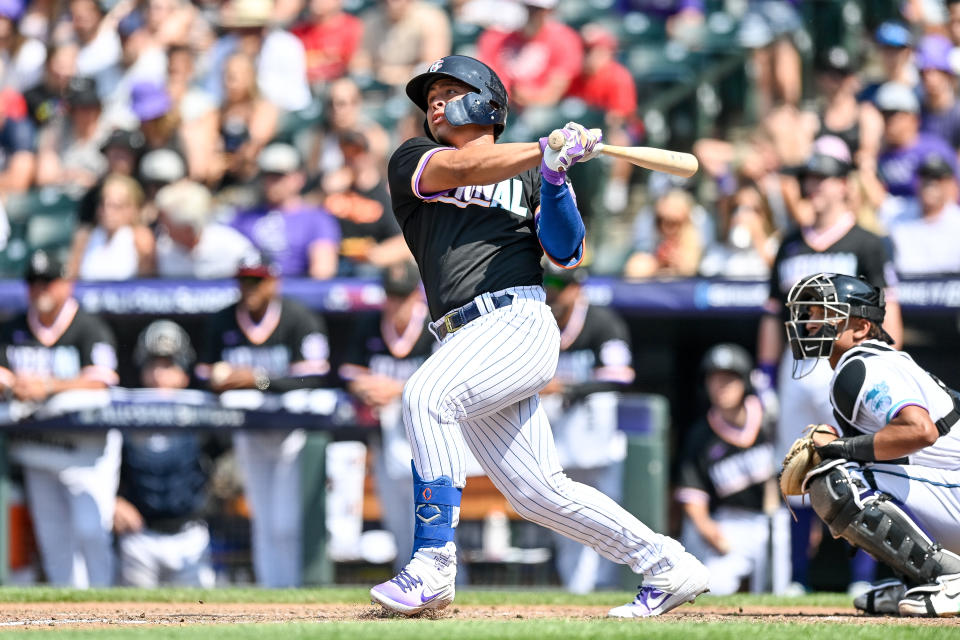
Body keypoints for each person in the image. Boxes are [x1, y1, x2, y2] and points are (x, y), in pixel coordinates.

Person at [368, 53, 708, 618]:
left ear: (488, 103)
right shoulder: (414, 158)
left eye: (449, 90)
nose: (434, 101)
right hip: (460, 337)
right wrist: (545, 149)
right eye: (430, 95)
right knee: (536, 492)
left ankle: (432, 564)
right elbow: (465, 172)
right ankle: (666, 563)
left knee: (426, 396)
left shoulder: (531, 170)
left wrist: (553, 177)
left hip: (516, 321)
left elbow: (567, 251)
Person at [756, 135, 902, 592]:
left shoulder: (868, 241)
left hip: (851, 367)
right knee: (796, 469)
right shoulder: (790, 245)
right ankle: (795, 577)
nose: (814, 187)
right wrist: (763, 376)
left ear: (845, 186)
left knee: (862, 470)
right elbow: (771, 314)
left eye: (823, 179)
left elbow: (888, 306)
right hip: (797, 367)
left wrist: (892, 362)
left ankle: (863, 577)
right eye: (809, 180)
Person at [784, 272, 960, 617]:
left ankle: (948, 578)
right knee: (848, 469)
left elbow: (919, 430)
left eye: (825, 313)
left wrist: (842, 450)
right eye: (812, 313)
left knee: (836, 479)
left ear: (862, 327)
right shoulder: (875, 360)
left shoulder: (862, 365)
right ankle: (919, 579)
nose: (812, 322)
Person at [196, 252, 330, 588]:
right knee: (263, 519)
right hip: (249, 431)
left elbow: (313, 377)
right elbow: (202, 374)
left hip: (290, 433)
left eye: (257, 280)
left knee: (286, 522)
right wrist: (224, 378)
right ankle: (272, 592)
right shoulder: (223, 320)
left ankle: (293, 591)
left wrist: (258, 379)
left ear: (274, 282)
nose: (250, 288)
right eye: (245, 280)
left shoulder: (299, 318)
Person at [0, 250, 121, 587]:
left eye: (48, 282)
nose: (40, 290)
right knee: (54, 541)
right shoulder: (13, 328)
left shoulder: (88, 326)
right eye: (34, 283)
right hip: (37, 447)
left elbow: (102, 379)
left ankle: (105, 609)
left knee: (90, 531)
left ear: (66, 284)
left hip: (85, 451)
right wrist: (11, 382)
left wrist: (49, 385)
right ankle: (66, 618)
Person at [540, 266, 635, 594]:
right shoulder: (540, 323)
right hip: (559, 432)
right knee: (565, 515)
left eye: (560, 285)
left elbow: (620, 375)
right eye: (548, 284)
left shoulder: (602, 321)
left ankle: (606, 587)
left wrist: (569, 389)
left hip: (598, 436)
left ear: (577, 288)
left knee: (607, 509)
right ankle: (576, 591)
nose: (553, 292)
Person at [341, 261, 438, 570]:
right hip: (385, 433)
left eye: (402, 295)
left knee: (433, 517)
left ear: (416, 294)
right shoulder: (370, 324)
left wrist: (397, 389)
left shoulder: (436, 323)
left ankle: (446, 584)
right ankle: (405, 579)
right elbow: (349, 372)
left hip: (430, 435)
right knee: (396, 517)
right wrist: (365, 387)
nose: (396, 303)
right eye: (391, 295)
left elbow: (447, 382)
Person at [675, 343, 790, 595]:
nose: (721, 387)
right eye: (715, 380)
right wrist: (710, 531)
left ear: (745, 382)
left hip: (773, 519)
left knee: (777, 594)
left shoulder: (770, 418)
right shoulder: (701, 436)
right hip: (730, 523)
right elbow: (693, 498)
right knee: (713, 589)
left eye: (729, 379)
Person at [114, 320, 219, 587]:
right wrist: (112, 500)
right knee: (130, 621)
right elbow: (102, 469)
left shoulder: (205, 414)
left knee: (201, 620)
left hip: (190, 538)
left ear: (184, 373)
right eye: (153, 365)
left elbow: (230, 460)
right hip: (139, 538)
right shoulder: (123, 414)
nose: (160, 376)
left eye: (169, 365)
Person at [229, 143, 339, 279]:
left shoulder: (317, 219)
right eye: (267, 176)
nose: (272, 182)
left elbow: (322, 271)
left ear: (299, 178)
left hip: (298, 293)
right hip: (251, 289)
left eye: (279, 176)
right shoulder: (243, 218)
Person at [476, 0, 582, 108]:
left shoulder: (565, 39)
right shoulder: (495, 39)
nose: (529, 14)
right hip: (501, 103)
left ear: (547, 11)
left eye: (535, 9)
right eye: (526, 8)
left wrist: (529, 96)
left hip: (538, 109)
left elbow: (553, 93)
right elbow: (484, 81)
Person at [154, 179, 256, 279]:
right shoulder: (160, 251)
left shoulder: (232, 246)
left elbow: (257, 278)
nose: (163, 230)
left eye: (167, 225)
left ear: (188, 229)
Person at [888, 152, 960, 276]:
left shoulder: (957, 221)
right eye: (925, 177)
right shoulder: (897, 214)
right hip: (905, 290)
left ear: (950, 184)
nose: (930, 183)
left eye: (937, 178)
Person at [622, 189, 703, 279]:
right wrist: (657, 264)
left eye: (673, 222)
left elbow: (690, 270)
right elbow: (635, 269)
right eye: (660, 220)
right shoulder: (649, 241)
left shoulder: (697, 238)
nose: (665, 228)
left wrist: (679, 264)